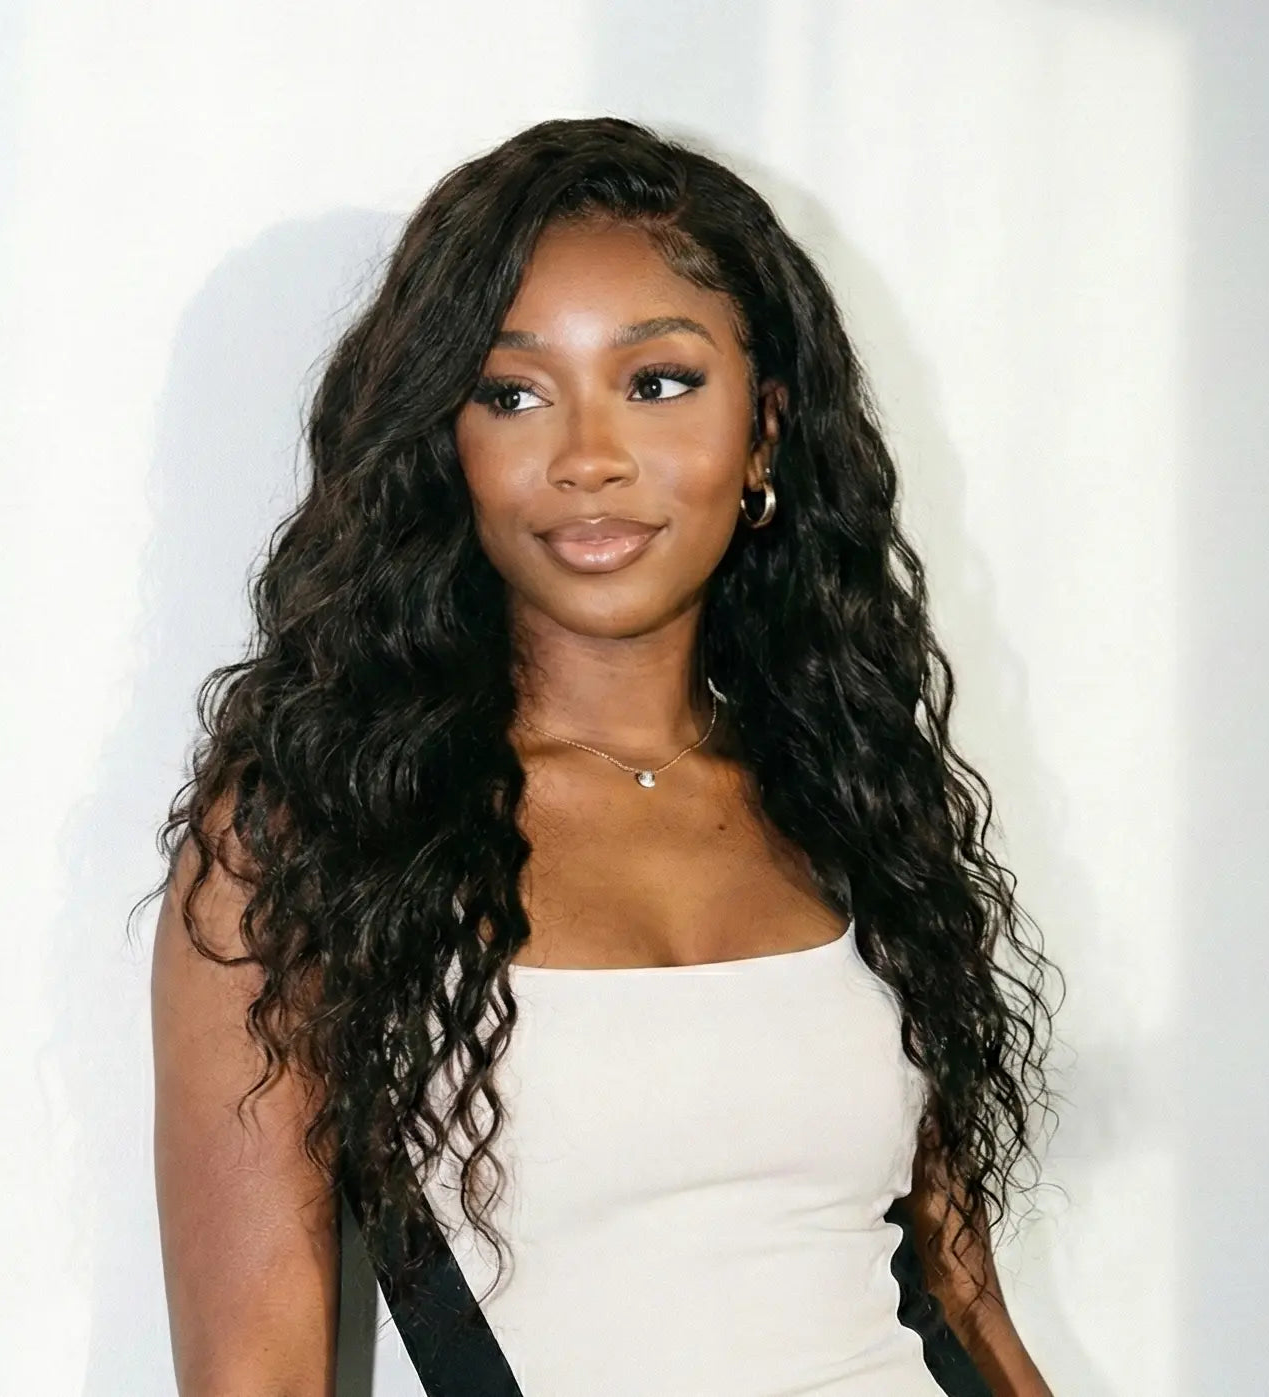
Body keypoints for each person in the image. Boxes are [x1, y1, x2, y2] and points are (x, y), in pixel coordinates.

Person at [148, 116, 1059, 1396]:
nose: (587, 458)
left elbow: (965, 1307)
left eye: (658, 381)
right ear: (442, 447)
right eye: (512, 393)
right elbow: (255, 1376)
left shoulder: (843, 792)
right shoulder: (316, 829)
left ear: (762, 437)